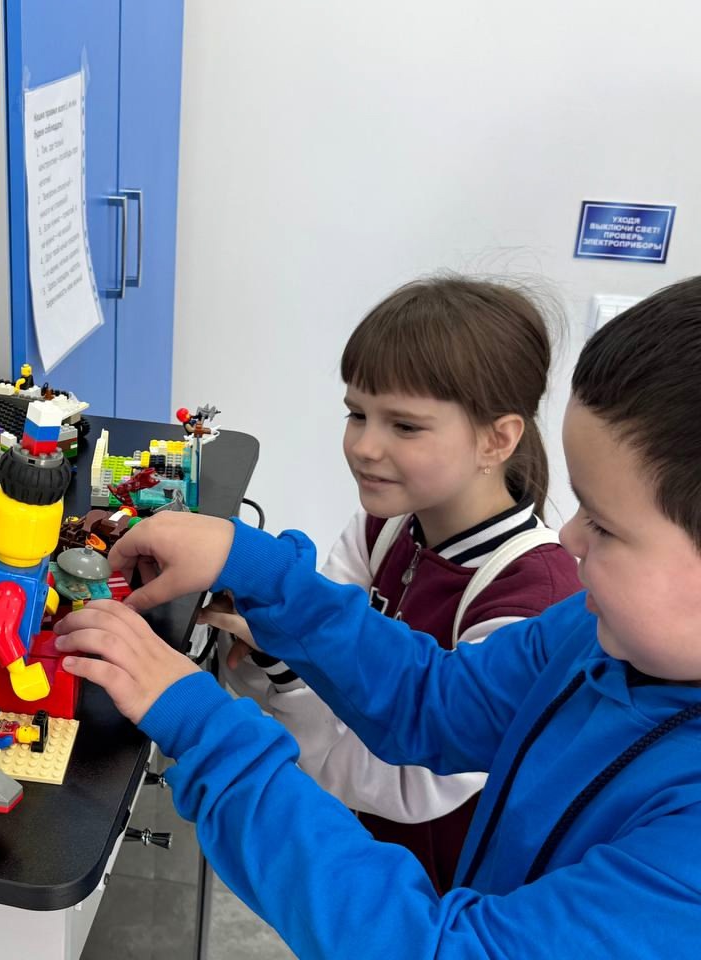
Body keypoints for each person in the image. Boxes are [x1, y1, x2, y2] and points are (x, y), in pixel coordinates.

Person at [54, 277, 701, 957]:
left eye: (606, 525)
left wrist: (209, 730)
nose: (570, 537)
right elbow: (435, 703)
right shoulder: (595, 634)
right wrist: (254, 564)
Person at [203, 276, 581, 891]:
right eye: (357, 413)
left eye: (404, 426)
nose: (364, 446)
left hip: (434, 895)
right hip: (362, 847)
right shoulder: (383, 527)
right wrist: (255, 636)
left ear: (497, 439)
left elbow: (400, 781)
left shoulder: (530, 599)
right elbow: (305, 681)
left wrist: (280, 661)